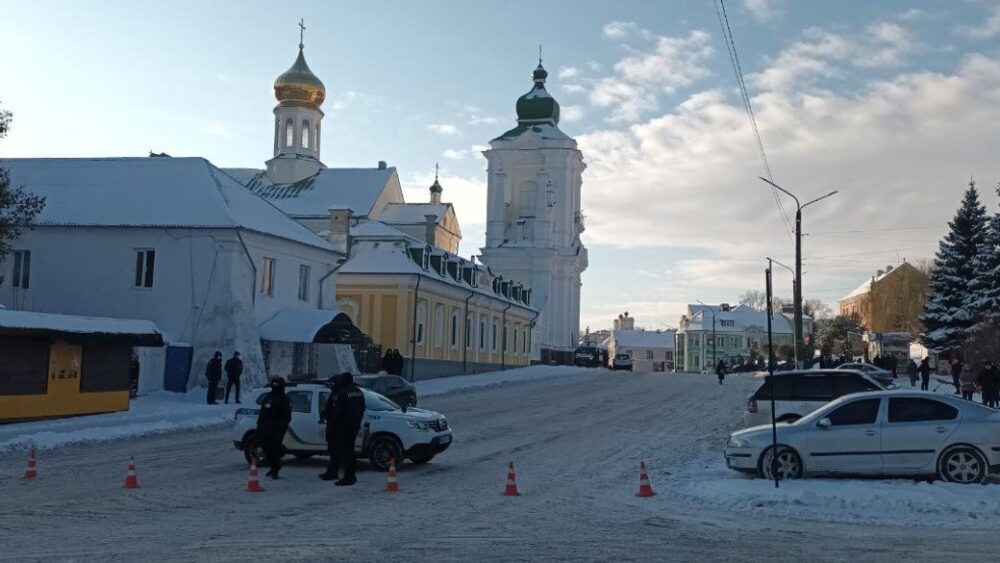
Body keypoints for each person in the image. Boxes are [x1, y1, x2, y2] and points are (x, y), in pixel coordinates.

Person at [326, 372, 366, 486]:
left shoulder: (342, 393)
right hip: (354, 425)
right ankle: (350, 475)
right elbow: (362, 408)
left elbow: (338, 412)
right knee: (350, 451)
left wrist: (334, 424)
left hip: (343, 426)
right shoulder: (358, 392)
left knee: (345, 452)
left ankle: (349, 477)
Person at [256, 377, 292, 479]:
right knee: (265, 448)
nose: (275, 387)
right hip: (265, 428)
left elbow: (286, 417)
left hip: (277, 430)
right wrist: (259, 425)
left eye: (277, 385)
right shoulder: (268, 397)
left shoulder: (285, 400)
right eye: (274, 385)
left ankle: (275, 469)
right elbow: (263, 412)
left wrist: (281, 430)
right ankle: (274, 466)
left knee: (274, 449)